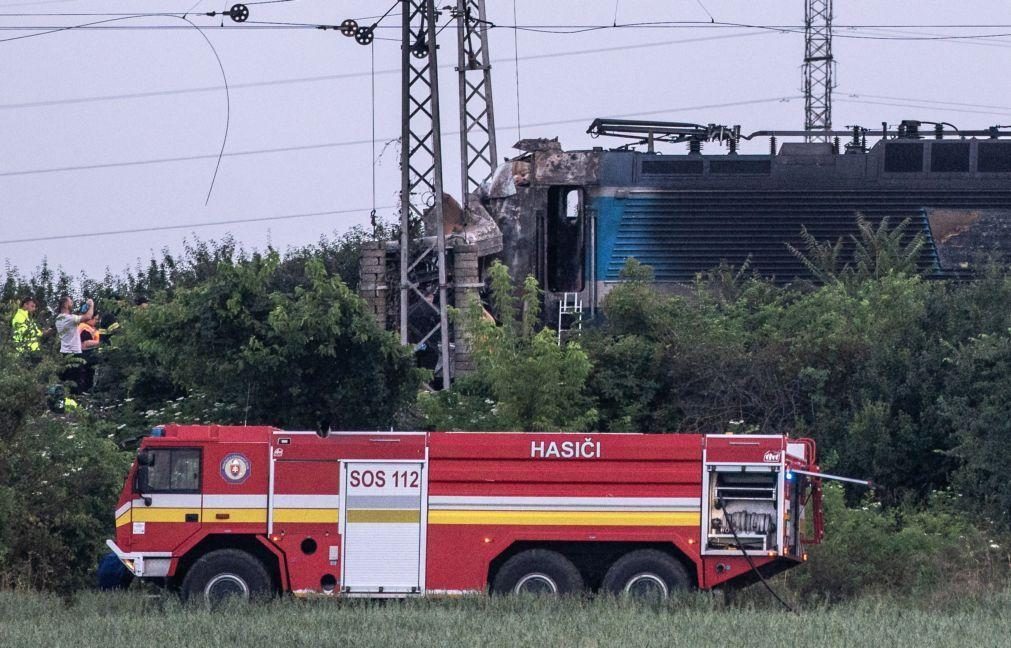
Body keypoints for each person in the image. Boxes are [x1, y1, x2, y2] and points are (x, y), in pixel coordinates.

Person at [56, 296, 96, 392]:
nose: (72, 303)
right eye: (70, 302)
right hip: (74, 354)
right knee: (76, 383)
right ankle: (75, 401)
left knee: (66, 381)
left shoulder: (59, 318)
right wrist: (91, 305)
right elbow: (88, 317)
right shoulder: (68, 318)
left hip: (64, 353)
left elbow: (76, 319)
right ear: (65, 304)